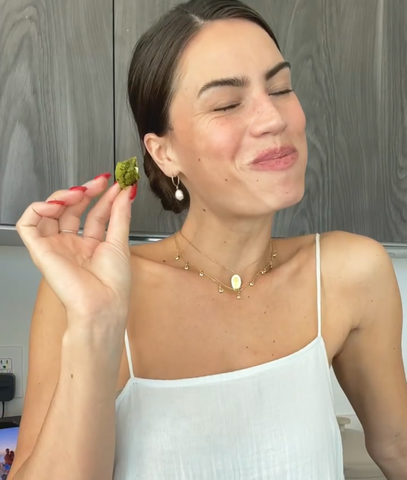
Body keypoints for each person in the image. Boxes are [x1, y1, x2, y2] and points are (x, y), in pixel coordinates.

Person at [7, 0, 407, 479]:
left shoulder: (352, 273)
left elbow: (398, 451)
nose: (273, 118)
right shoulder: (84, 293)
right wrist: (97, 326)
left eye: (280, 88)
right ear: (164, 152)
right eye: (227, 104)